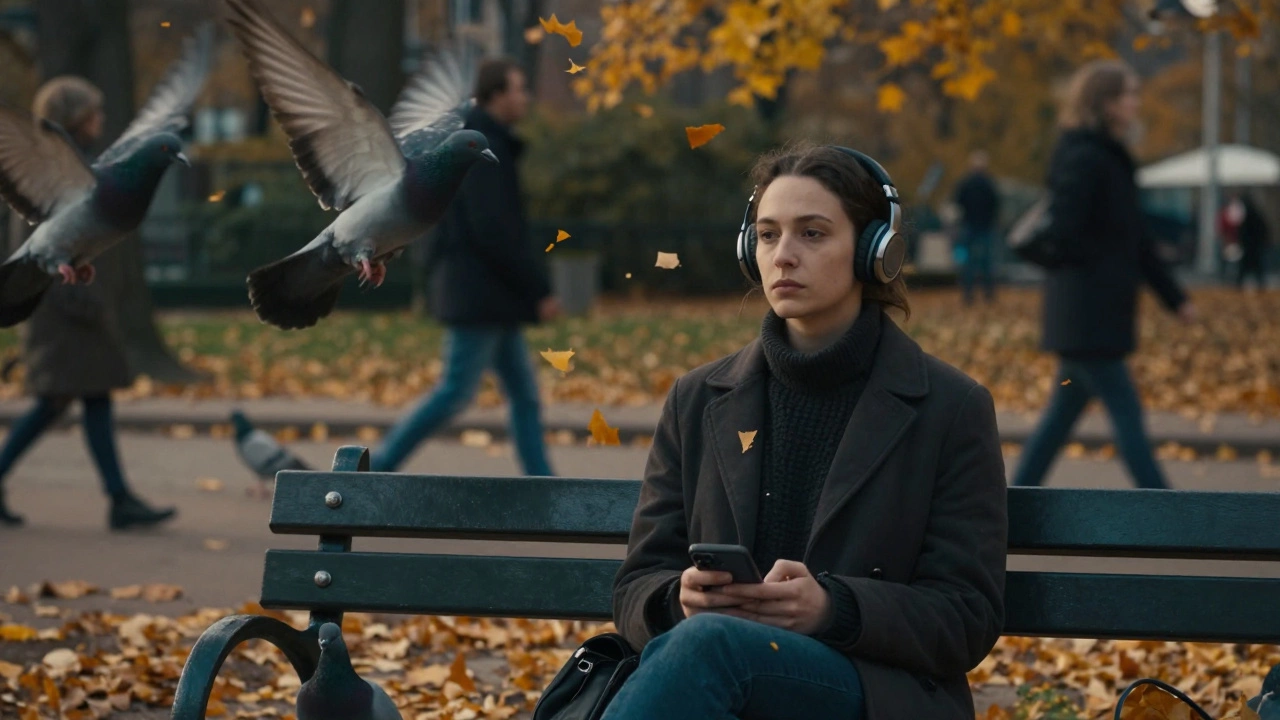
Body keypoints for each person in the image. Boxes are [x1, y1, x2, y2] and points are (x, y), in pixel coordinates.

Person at [602, 144, 1007, 720]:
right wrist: (676, 600)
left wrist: (833, 609)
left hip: (872, 692)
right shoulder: (698, 398)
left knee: (711, 647)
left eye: (812, 234)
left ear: (874, 251)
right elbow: (637, 584)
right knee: (708, 643)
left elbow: (967, 615)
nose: (784, 256)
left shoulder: (949, 407)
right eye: (768, 235)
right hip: (716, 680)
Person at [1011, 60, 1196, 491]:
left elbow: (1138, 241)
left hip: (1091, 317)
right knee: (1127, 417)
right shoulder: (1085, 158)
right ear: (1106, 102)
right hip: (1089, 316)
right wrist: (1106, 263)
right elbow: (1065, 234)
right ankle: (1165, 511)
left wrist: (1175, 299)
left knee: (1060, 418)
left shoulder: (1108, 158)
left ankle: (1011, 503)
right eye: (1129, 94)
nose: (1136, 102)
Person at [0, 76, 176, 529]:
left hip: (76, 309)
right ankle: (119, 499)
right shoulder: (55, 166)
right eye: (94, 113)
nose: (101, 120)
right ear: (76, 118)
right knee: (61, 403)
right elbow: (39, 238)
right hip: (62, 314)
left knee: (82, 401)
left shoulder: (98, 167)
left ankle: (119, 497)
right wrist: (79, 296)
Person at [370, 58, 559, 475]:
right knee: (455, 392)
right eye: (519, 89)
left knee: (524, 396)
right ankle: (377, 467)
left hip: (488, 294)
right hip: (478, 293)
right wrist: (538, 289)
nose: (525, 97)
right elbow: (493, 230)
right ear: (496, 95)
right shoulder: (481, 149)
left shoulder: (478, 140)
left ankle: (544, 484)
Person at [952, 150, 1000, 305]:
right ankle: (989, 295)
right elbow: (995, 204)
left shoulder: (965, 183)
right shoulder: (989, 183)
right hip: (986, 226)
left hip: (968, 226)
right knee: (987, 262)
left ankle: (968, 295)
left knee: (967, 262)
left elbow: (958, 202)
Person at [1236, 191, 1271, 291]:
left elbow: (1243, 233)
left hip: (1251, 248)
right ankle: (1259, 287)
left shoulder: (1248, 217)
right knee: (1256, 270)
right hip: (1254, 248)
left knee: (1247, 270)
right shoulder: (1255, 215)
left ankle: (1239, 287)